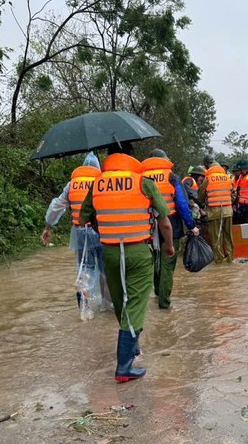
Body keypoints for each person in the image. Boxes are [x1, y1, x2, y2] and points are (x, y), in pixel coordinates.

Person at [79, 143, 174, 382]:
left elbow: (83, 218)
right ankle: (124, 366)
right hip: (138, 253)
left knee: (121, 302)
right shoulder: (143, 183)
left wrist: (106, 227)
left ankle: (132, 349)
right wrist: (169, 245)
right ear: (130, 157)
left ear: (108, 158)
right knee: (135, 304)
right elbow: (164, 221)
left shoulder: (97, 184)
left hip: (109, 252)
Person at [41, 158, 105, 310]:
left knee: (85, 265)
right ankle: (107, 307)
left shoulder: (72, 184)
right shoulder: (102, 181)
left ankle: (84, 290)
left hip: (80, 231)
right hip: (101, 230)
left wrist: (48, 227)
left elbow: (57, 205)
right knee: (105, 269)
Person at [141, 148, 199, 310]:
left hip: (147, 224)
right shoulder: (171, 177)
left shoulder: (140, 177)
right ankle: (164, 303)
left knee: (155, 259)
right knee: (168, 263)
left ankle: (158, 292)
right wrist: (191, 225)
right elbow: (181, 204)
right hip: (170, 223)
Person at [198, 155, 234, 263]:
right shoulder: (226, 176)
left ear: (207, 164)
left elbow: (200, 195)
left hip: (214, 212)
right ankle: (230, 260)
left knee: (216, 238)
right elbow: (233, 193)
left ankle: (219, 262)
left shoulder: (208, 178)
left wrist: (202, 203)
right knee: (228, 237)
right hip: (228, 211)